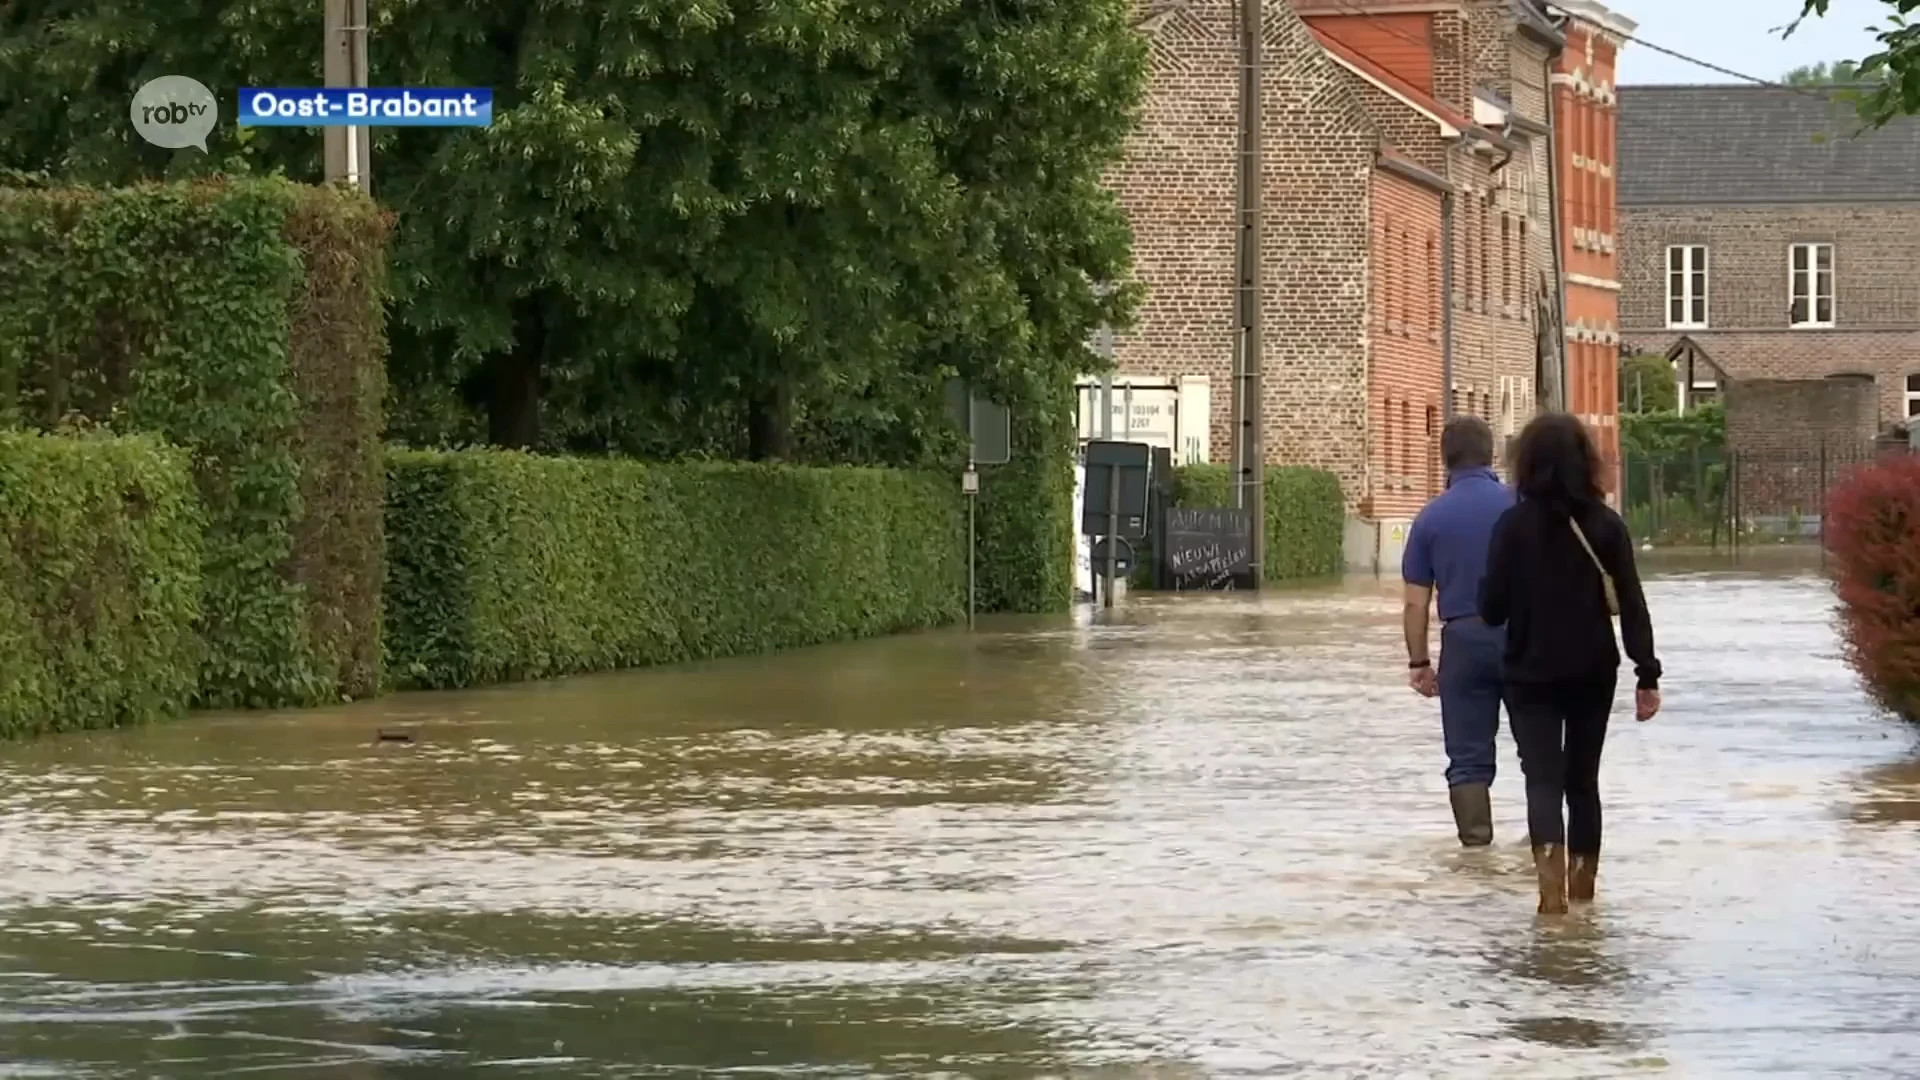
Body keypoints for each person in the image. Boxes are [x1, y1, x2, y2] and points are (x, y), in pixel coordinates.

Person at [1477, 412, 1662, 915]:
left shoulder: (1510, 527)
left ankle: (1549, 896)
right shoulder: (1607, 526)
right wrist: (1647, 672)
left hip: (1529, 669)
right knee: (1583, 782)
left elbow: (1491, 609)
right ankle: (1584, 894)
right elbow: (1633, 603)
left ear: (1528, 464)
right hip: (1592, 670)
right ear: (1587, 463)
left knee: (1542, 780)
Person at [1401, 415, 1514, 847]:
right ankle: (1545, 849)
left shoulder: (1430, 518)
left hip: (1463, 641)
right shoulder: (1520, 505)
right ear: (1492, 454)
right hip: (1524, 637)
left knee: (1466, 759)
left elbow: (1415, 602)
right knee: (1539, 750)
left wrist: (1419, 663)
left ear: (1444, 458)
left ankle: (1476, 857)